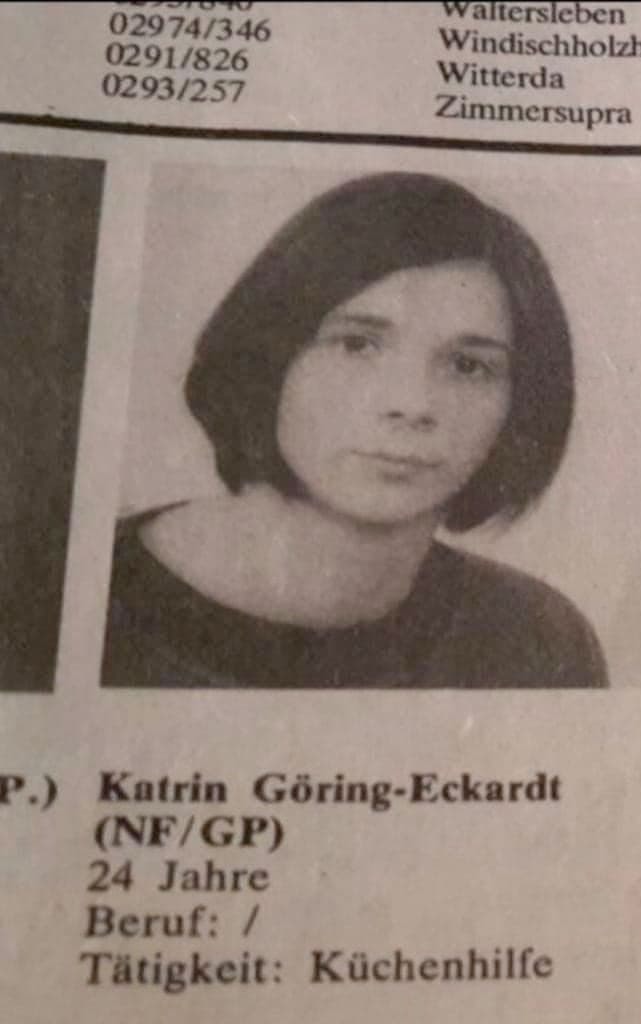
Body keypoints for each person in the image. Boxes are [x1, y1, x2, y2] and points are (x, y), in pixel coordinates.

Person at [102, 172, 608, 689]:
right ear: (267, 356)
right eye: (357, 345)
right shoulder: (83, 590)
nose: (412, 405)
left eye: (467, 366)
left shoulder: (541, 638)